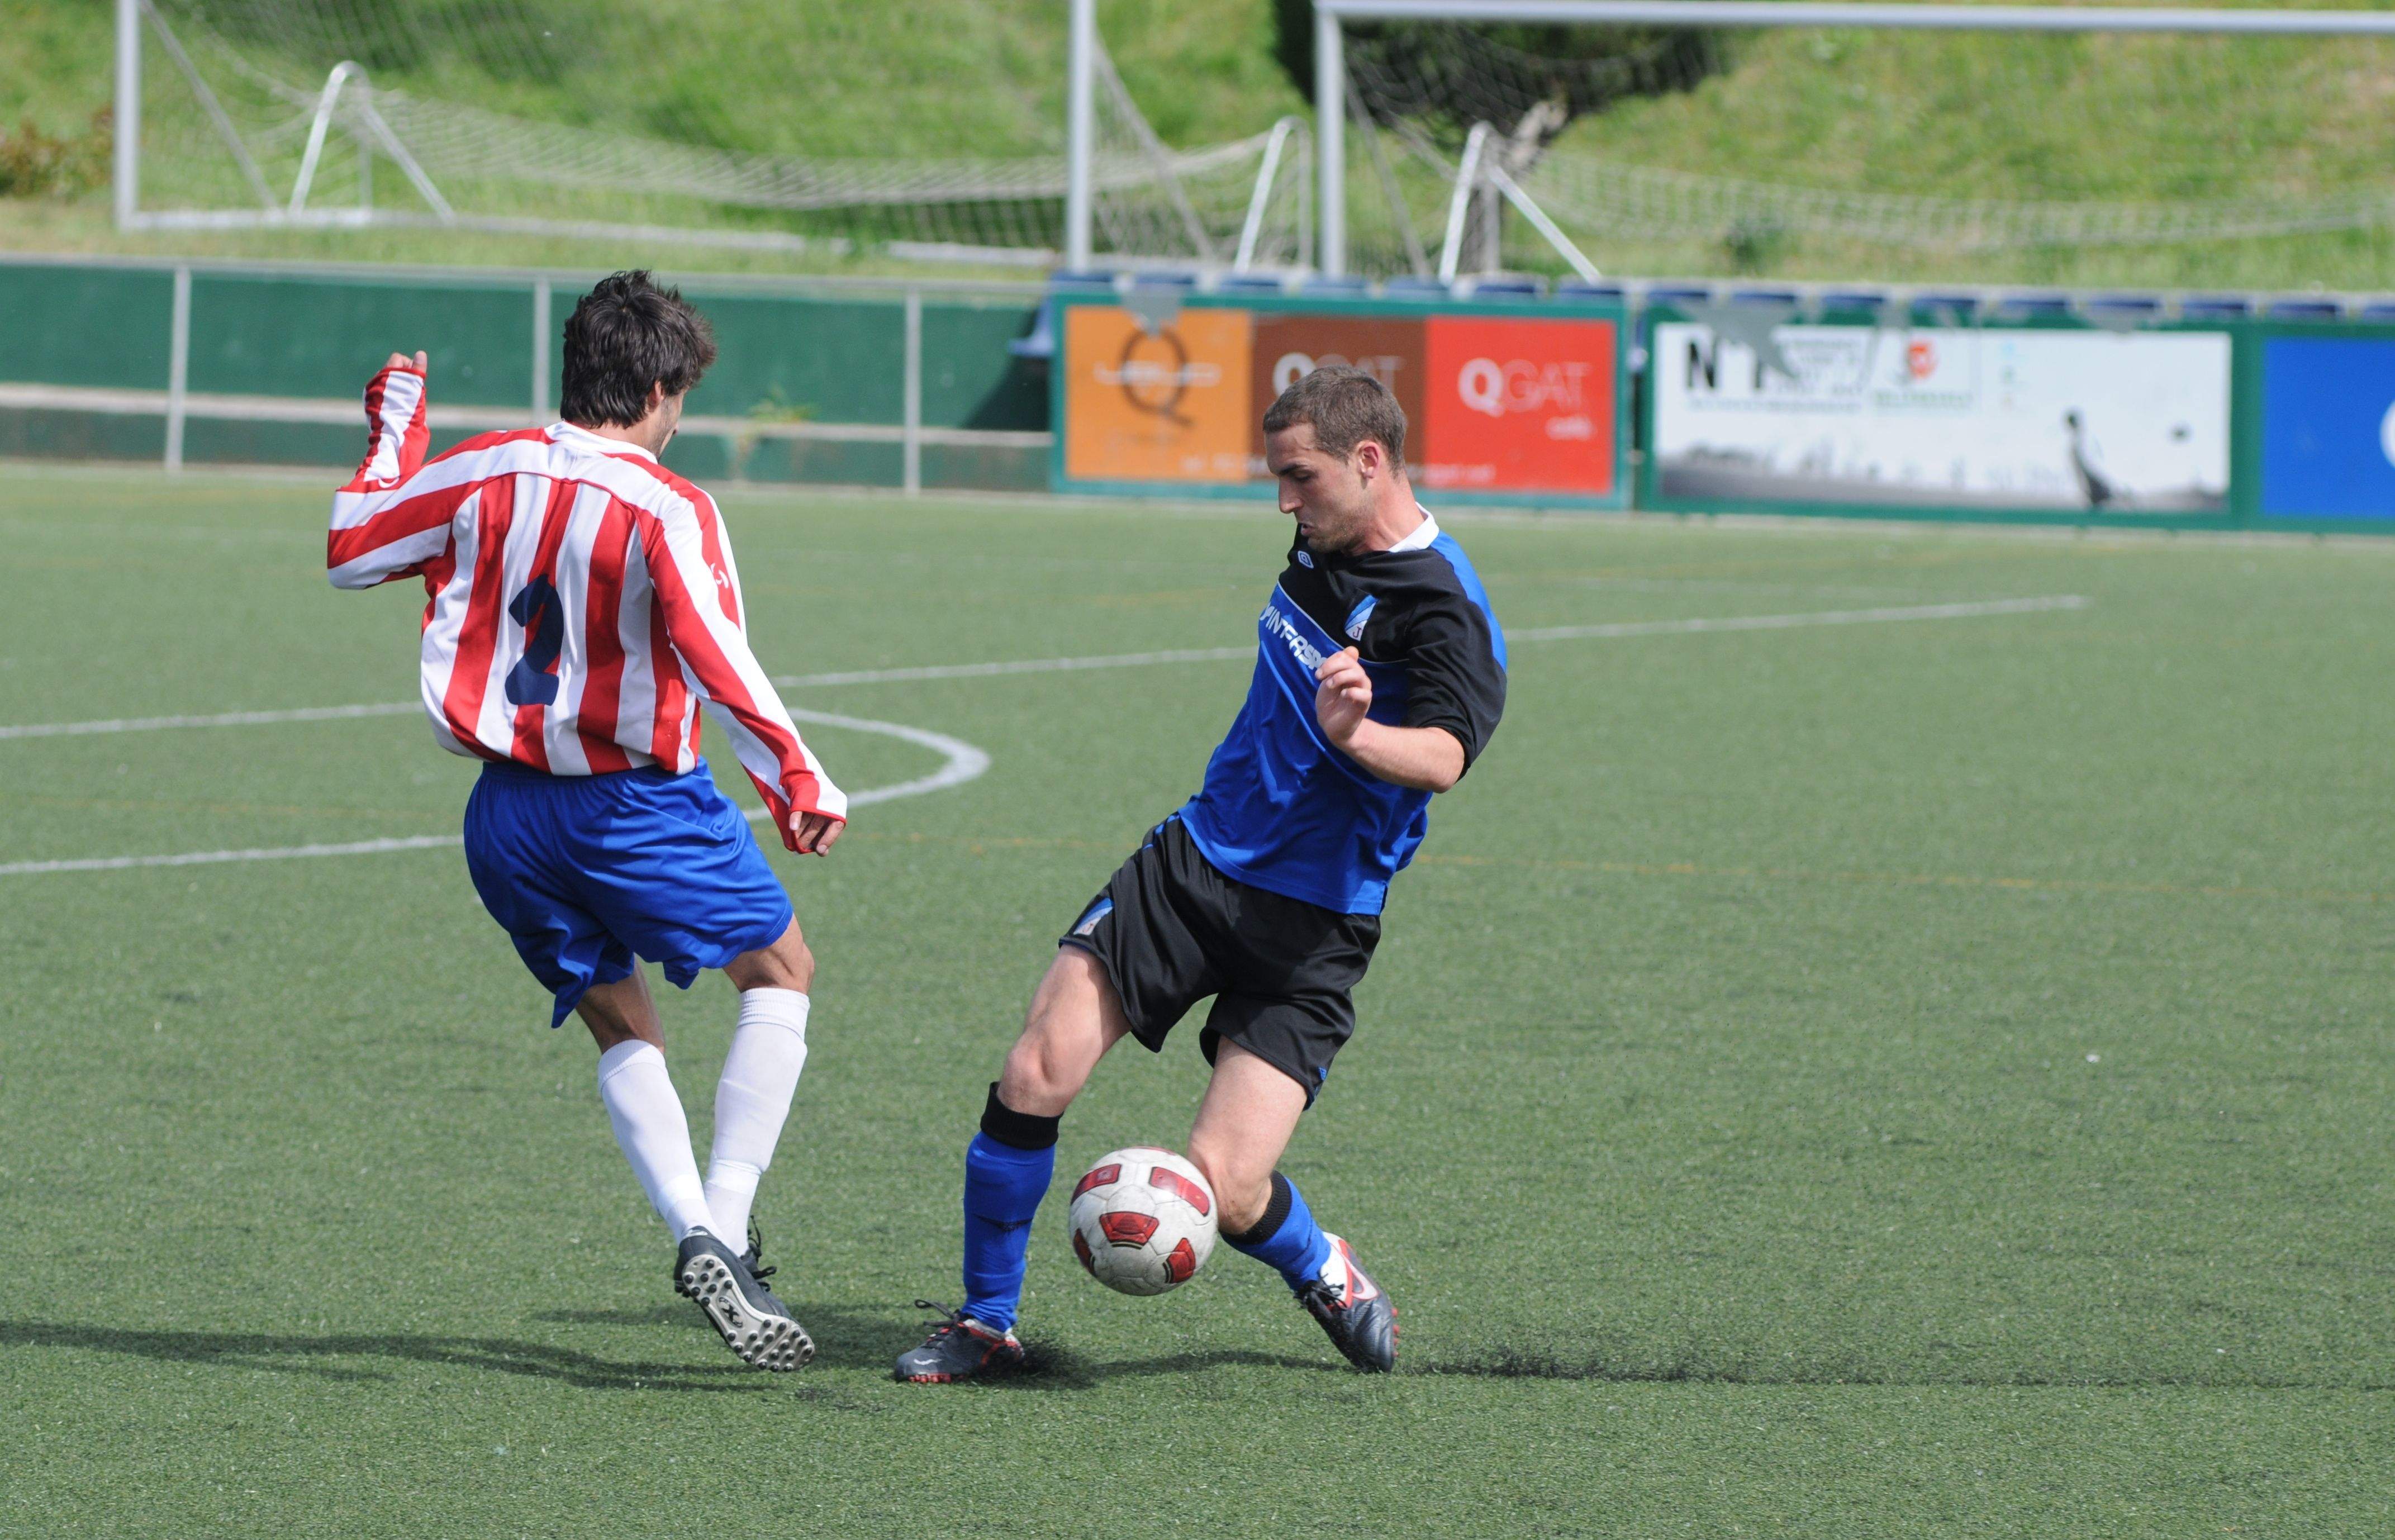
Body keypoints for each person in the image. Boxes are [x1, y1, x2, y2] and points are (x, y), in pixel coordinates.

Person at [896, 366, 1505, 1381]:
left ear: (1369, 462)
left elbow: (1443, 757)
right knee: (1034, 1070)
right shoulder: (1323, 532)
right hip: (1192, 866)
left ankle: (1320, 1262)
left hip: (1316, 926)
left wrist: (1355, 735)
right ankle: (984, 1320)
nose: (1282, 501)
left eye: (1299, 477)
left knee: (1225, 1186)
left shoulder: (1443, 608)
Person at [327, 272, 845, 1371]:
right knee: (783, 973)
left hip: (506, 817)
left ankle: (694, 1233)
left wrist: (394, 434)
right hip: (634, 804)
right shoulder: (667, 504)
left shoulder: (475, 470)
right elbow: (718, 655)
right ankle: (730, 1220)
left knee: (623, 1023)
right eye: (681, 397)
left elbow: (352, 550)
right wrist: (799, 777)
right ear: (658, 389)